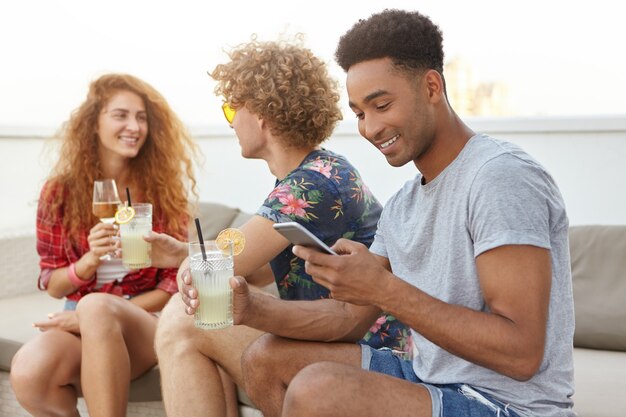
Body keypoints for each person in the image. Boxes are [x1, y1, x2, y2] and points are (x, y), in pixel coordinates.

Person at [234, 9, 577, 417]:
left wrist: (383, 287)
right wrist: (252, 308)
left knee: (318, 389)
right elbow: (348, 317)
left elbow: (521, 352)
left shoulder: (499, 177)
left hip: (507, 405)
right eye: (360, 113)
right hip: (433, 382)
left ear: (432, 86)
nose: (371, 128)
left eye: (381, 105)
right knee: (266, 358)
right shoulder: (403, 205)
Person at [148, 37, 410, 417]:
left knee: (182, 318)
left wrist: (192, 263)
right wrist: (180, 253)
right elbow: (250, 271)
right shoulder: (318, 171)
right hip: (343, 341)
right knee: (195, 324)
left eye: (230, 110)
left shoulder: (309, 186)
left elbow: (222, 266)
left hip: (371, 353)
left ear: (260, 115)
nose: (230, 123)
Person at [9, 73, 198, 417]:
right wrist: (89, 261)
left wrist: (92, 315)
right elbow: (52, 283)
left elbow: (175, 282)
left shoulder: (162, 192)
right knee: (29, 373)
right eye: (121, 115)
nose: (134, 126)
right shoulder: (60, 193)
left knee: (95, 308)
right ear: (93, 123)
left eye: (141, 117)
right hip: (82, 315)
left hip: (148, 320)